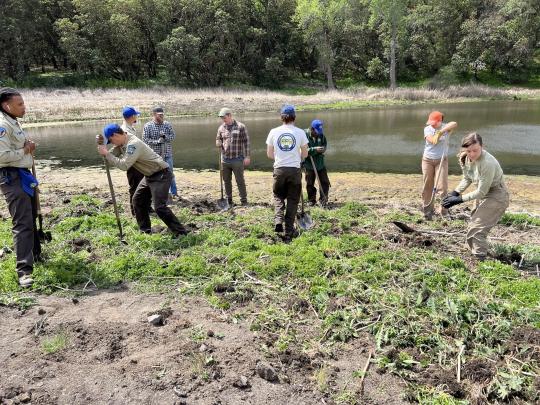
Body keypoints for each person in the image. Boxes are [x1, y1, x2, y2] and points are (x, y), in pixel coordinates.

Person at [97, 124, 188, 237]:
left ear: (115, 135)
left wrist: (107, 154)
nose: (113, 143)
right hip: (149, 175)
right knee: (138, 201)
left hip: (161, 175)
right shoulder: (122, 141)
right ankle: (145, 231)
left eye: (111, 140)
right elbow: (111, 155)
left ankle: (181, 233)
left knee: (159, 207)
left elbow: (124, 165)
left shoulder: (133, 144)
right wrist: (104, 153)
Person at [442, 133, 509, 261]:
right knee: (472, 224)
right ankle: (473, 253)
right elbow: (467, 177)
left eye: (475, 150)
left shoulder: (487, 163)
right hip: (482, 192)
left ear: (482, 147)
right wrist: (455, 192)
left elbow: (481, 193)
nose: (472, 154)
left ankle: (480, 259)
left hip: (496, 194)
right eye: (468, 151)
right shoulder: (465, 158)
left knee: (478, 228)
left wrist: (459, 199)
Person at [0, 88, 40, 288]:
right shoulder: (2, 125)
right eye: (20, 104)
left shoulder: (12, 121)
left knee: (31, 215)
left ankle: (36, 255)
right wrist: (25, 149)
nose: (24, 107)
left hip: (23, 175)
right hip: (11, 177)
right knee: (22, 223)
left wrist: (27, 146)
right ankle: (24, 271)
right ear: (7, 106)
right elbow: (1, 156)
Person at [266, 105, 309, 242]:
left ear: (281, 118)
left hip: (279, 169)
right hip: (294, 170)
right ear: (294, 117)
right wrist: (296, 158)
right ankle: (289, 230)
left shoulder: (273, 132)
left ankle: (278, 220)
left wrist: (281, 158)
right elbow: (305, 153)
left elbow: (269, 154)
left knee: (278, 195)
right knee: (292, 199)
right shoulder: (300, 132)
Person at [421, 111, 457, 220]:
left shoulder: (445, 127)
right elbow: (432, 141)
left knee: (442, 187)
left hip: (441, 160)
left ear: (440, 121)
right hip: (427, 160)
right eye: (430, 122)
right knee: (428, 186)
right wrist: (436, 135)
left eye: (434, 122)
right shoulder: (427, 129)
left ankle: (444, 211)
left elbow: (454, 123)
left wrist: (441, 132)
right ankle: (427, 210)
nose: (432, 124)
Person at [215, 107, 250, 206]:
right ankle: (228, 200)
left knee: (240, 181)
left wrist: (247, 156)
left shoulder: (241, 126)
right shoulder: (221, 128)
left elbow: (246, 142)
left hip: (237, 159)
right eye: (222, 118)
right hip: (225, 160)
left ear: (230, 115)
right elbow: (218, 139)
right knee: (226, 181)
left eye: (224, 117)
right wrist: (218, 142)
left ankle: (244, 201)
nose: (223, 120)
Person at [143, 107, 178, 199]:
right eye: (159, 114)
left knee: (170, 173)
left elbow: (173, 136)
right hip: (155, 156)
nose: (162, 116)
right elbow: (145, 140)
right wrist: (157, 141)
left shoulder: (167, 124)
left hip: (167, 154)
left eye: (162, 114)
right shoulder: (148, 126)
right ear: (154, 114)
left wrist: (165, 137)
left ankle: (174, 192)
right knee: (156, 175)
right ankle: (159, 193)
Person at [121, 106, 144, 216]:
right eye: (136, 115)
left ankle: (144, 207)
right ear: (132, 116)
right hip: (132, 163)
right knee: (135, 187)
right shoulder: (125, 130)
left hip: (137, 162)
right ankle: (135, 211)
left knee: (141, 185)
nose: (137, 117)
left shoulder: (131, 127)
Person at [304, 119, 330, 206]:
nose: (318, 133)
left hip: (320, 163)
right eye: (316, 131)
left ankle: (323, 199)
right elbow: (302, 150)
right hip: (309, 164)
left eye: (320, 131)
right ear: (312, 129)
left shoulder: (321, 136)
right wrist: (314, 150)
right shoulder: (304, 135)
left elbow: (324, 145)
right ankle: (311, 200)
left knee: (325, 182)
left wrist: (323, 149)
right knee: (310, 183)